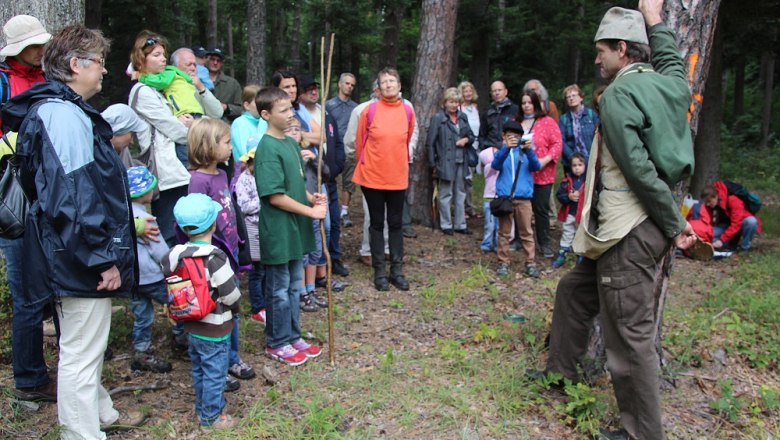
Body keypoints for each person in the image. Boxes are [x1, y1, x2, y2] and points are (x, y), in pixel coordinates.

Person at [535, 3, 697, 439]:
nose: (596, 59)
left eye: (601, 50)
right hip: (619, 230)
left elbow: (639, 169)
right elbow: (669, 59)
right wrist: (655, 19)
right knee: (573, 292)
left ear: (622, 50)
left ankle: (642, 434)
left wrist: (673, 222)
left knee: (629, 335)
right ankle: (560, 373)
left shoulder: (619, 97)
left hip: (630, 230)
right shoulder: (671, 86)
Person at [4, 24, 147, 438]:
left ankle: (101, 414)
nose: (104, 71)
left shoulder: (59, 111)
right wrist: (102, 259)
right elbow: (74, 199)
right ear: (74, 65)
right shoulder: (63, 116)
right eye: (99, 63)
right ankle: (81, 433)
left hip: (66, 251)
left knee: (85, 342)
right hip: (75, 256)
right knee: (81, 352)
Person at [0, 14, 55, 403]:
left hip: (49, 192)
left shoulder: (47, 76)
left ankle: (69, 370)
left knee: (54, 281)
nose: (41, 50)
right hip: (14, 198)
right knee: (25, 291)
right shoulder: (3, 80)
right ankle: (30, 380)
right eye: (34, 45)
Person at [254, 86, 326, 366]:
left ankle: (293, 335)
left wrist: (311, 197)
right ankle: (277, 341)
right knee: (279, 288)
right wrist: (310, 211)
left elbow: (293, 185)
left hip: (296, 228)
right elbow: (275, 196)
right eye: (282, 110)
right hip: (279, 230)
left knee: (295, 285)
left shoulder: (289, 143)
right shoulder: (267, 148)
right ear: (265, 114)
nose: (290, 115)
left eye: (290, 108)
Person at [187, 118, 256, 391]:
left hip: (230, 256)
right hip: (211, 263)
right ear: (208, 145)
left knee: (233, 310)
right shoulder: (198, 181)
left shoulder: (222, 175)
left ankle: (232, 358)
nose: (230, 147)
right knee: (217, 316)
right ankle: (217, 365)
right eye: (226, 142)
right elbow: (191, 226)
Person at [162, 193, 242, 430]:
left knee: (199, 368)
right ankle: (211, 418)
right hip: (215, 327)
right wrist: (237, 307)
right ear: (213, 224)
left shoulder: (174, 256)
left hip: (190, 325)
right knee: (215, 373)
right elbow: (230, 293)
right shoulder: (215, 258)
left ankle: (202, 408)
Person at [353, 68, 416, 291]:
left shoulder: (408, 111)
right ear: (378, 88)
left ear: (399, 85)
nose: (388, 85)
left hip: (397, 177)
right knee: (377, 223)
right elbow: (360, 144)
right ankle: (379, 271)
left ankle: (396, 270)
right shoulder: (369, 111)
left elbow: (406, 139)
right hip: (372, 177)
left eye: (392, 81)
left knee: (397, 223)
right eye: (384, 82)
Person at [128, 31, 191, 246]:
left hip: (174, 168)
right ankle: (168, 276)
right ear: (141, 58)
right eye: (155, 55)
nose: (163, 59)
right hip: (165, 170)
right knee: (169, 229)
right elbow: (172, 128)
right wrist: (190, 130)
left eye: (163, 55)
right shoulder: (143, 91)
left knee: (178, 227)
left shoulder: (157, 90)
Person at [126, 166, 173, 373]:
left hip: (132, 277)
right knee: (177, 304)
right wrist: (172, 266)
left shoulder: (125, 215)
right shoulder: (146, 220)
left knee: (142, 314)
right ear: (144, 192)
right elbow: (159, 249)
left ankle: (141, 349)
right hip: (152, 277)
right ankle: (183, 338)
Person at [491, 121, 541, 278]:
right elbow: (495, 165)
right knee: (504, 233)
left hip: (524, 199)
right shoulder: (502, 152)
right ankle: (503, 263)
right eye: (510, 136)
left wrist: (529, 150)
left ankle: (530, 263)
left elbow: (536, 166)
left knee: (526, 232)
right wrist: (506, 148)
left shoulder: (526, 153)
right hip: (506, 198)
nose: (514, 139)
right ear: (504, 137)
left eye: (517, 136)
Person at [516, 90, 562, 259]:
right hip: (522, 173)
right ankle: (520, 240)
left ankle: (544, 243)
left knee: (541, 209)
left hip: (542, 173)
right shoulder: (517, 122)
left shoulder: (547, 122)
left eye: (529, 102)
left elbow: (557, 144)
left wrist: (546, 159)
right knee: (520, 208)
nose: (527, 106)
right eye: (523, 103)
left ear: (536, 104)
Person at [426, 87, 475, 235]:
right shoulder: (438, 118)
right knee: (446, 194)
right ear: (445, 102)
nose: (454, 105)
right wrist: (433, 164)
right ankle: (446, 224)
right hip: (445, 161)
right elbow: (430, 143)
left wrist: (466, 140)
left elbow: (472, 136)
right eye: (451, 101)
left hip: (461, 160)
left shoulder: (463, 117)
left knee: (460, 192)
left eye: (456, 102)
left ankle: (460, 224)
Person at [234, 148, 266, 325]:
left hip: (266, 228)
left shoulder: (264, 176)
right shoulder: (244, 180)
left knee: (266, 269)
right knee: (257, 270)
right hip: (252, 228)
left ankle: (266, 302)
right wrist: (264, 198)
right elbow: (244, 206)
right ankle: (257, 307)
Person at [327, 73, 358, 229]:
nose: (349, 87)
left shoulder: (356, 108)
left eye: (352, 85)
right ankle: (328, 207)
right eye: (347, 83)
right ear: (340, 84)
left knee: (349, 181)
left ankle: (344, 211)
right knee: (330, 178)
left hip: (349, 149)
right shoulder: (329, 105)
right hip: (332, 148)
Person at [701, 182, 762, 251]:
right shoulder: (712, 204)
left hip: (740, 224)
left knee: (751, 222)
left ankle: (744, 247)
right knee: (709, 235)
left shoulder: (732, 199)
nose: (708, 204)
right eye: (706, 202)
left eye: (709, 201)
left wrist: (722, 240)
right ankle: (728, 244)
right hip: (726, 225)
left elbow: (736, 223)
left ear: (715, 196)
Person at [552, 153, 586, 268]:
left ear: (585, 166)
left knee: (581, 235)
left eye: (580, 165)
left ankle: (580, 257)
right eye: (574, 165)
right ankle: (562, 255)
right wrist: (568, 197)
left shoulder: (588, 181)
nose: (577, 168)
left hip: (582, 215)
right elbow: (560, 195)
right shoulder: (567, 180)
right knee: (567, 232)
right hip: (570, 213)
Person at [559, 84, 600, 174]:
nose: (571, 98)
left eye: (574, 95)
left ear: (581, 98)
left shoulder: (591, 115)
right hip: (572, 163)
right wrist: (572, 157)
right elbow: (561, 140)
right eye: (568, 97)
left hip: (591, 159)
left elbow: (599, 135)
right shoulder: (564, 119)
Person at [458, 81, 481, 218]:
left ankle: (470, 206)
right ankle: (463, 208)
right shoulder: (459, 108)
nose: (468, 94)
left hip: (475, 146)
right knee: (464, 179)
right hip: (465, 146)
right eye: (465, 91)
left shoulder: (475, 107)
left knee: (470, 179)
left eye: (470, 91)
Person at [230, 84, 267, 163]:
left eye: (264, 102)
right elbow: (244, 151)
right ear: (247, 105)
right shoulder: (239, 123)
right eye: (258, 102)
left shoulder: (264, 121)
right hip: (244, 168)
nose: (262, 105)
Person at [478, 80, 518, 151]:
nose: (497, 93)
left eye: (499, 90)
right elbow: (482, 135)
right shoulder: (487, 112)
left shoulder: (515, 110)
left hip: (510, 150)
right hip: (491, 152)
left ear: (506, 92)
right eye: (494, 91)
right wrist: (485, 148)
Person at [205, 48, 242, 122]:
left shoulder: (232, 84)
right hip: (201, 125)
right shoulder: (198, 80)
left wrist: (226, 107)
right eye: (212, 59)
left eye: (218, 60)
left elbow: (241, 109)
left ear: (222, 63)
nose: (215, 63)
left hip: (224, 126)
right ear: (207, 60)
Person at [478, 136, 500, 253]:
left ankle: (498, 244)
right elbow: (494, 165)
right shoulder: (488, 166)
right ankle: (486, 244)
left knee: (499, 225)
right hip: (489, 198)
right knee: (489, 224)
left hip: (500, 197)